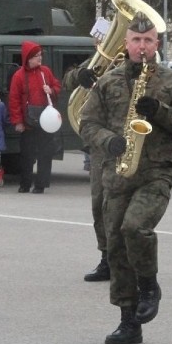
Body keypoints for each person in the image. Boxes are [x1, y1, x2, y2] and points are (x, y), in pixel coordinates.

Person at [80, 12, 172, 344]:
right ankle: (128, 321)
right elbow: (87, 122)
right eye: (136, 40)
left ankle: (149, 284)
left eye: (148, 41)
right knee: (116, 243)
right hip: (117, 172)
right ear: (126, 42)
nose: (141, 46)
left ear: (156, 44)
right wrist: (109, 141)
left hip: (156, 172)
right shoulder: (108, 81)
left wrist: (158, 110)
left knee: (135, 227)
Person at [64, 57, 110, 281]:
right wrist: (79, 75)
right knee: (99, 203)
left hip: (127, 138)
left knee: (127, 207)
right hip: (100, 143)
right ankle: (107, 258)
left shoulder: (134, 61)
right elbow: (66, 80)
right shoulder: (99, 59)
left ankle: (132, 262)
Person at [8, 41, 61, 193]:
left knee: (46, 153)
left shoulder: (46, 72)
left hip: (46, 121)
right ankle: (25, 183)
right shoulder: (19, 76)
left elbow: (57, 86)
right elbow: (14, 99)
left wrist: (50, 90)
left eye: (40, 55)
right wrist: (17, 121)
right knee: (27, 155)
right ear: (28, 58)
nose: (40, 58)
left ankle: (41, 185)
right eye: (37, 56)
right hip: (28, 122)